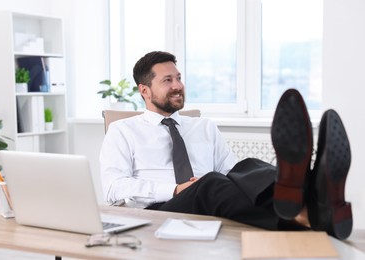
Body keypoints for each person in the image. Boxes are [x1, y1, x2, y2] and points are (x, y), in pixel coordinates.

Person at [99, 51, 352, 240]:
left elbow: (234, 171)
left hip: (208, 201)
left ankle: (305, 194)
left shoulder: (204, 126)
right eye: (167, 80)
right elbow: (113, 187)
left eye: (178, 78)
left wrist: (246, 175)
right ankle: (312, 209)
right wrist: (176, 189)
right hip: (158, 212)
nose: (178, 86)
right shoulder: (122, 131)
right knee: (210, 182)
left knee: (246, 167)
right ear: (144, 90)